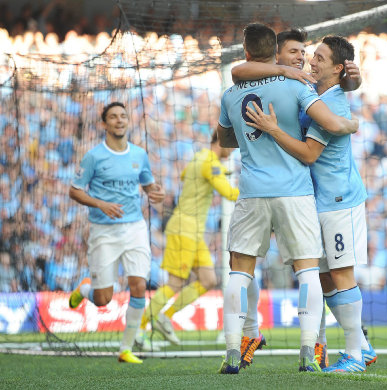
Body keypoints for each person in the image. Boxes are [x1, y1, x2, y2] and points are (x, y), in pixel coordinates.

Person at [216, 23, 358, 374]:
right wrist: (350, 125)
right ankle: (309, 351)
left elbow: (225, 140)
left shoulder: (230, 93)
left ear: (247, 51)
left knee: (239, 271)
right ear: (275, 51)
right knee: (308, 271)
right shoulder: (295, 85)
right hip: (295, 192)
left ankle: (233, 350)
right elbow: (331, 122)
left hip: (251, 193)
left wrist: (255, 138)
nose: (302, 58)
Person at [245, 35, 376, 373]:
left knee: (342, 275)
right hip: (318, 201)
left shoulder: (332, 103)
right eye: (310, 55)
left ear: (336, 67)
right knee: (324, 277)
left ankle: (354, 357)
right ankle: (360, 346)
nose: (310, 61)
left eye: (318, 57)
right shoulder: (320, 96)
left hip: (339, 201)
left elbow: (308, 153)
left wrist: (272, 129)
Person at [68, 101, 165, 364]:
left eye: (123, 116)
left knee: (139, 285)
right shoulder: (93, 157)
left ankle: (125, 349)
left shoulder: (139, 154)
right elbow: (74, 190)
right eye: (113, 117)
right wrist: (101, 204)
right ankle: (85, 289)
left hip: (134, 227)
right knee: (103, 299)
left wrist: (155, 192)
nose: (119, 120)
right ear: (104, 124)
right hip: (103, 231)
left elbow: (148, 184)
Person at [135, 132, 239, 348]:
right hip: (184, 229)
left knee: (208, 279)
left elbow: (188, 176)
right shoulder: (210, 163)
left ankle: (165, 316)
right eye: (233, 145)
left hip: (193, 231)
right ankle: (140, 329)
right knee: (175, 283)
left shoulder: (199, 157)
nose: (234, 151)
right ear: (223, 142)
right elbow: (229, 193)